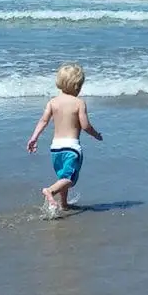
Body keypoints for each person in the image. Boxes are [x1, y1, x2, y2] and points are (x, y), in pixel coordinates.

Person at [26, 62, 103, 213]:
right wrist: (96, 135)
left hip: (55, 148)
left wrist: (34, 138)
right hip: (72, 148)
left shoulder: (52, 102)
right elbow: (86, 126)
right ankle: (50, 191)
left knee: (63, 176)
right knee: (70, 179)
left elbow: (43, 121)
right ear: (77, 87)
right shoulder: (79, 103)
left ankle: (64, 204)